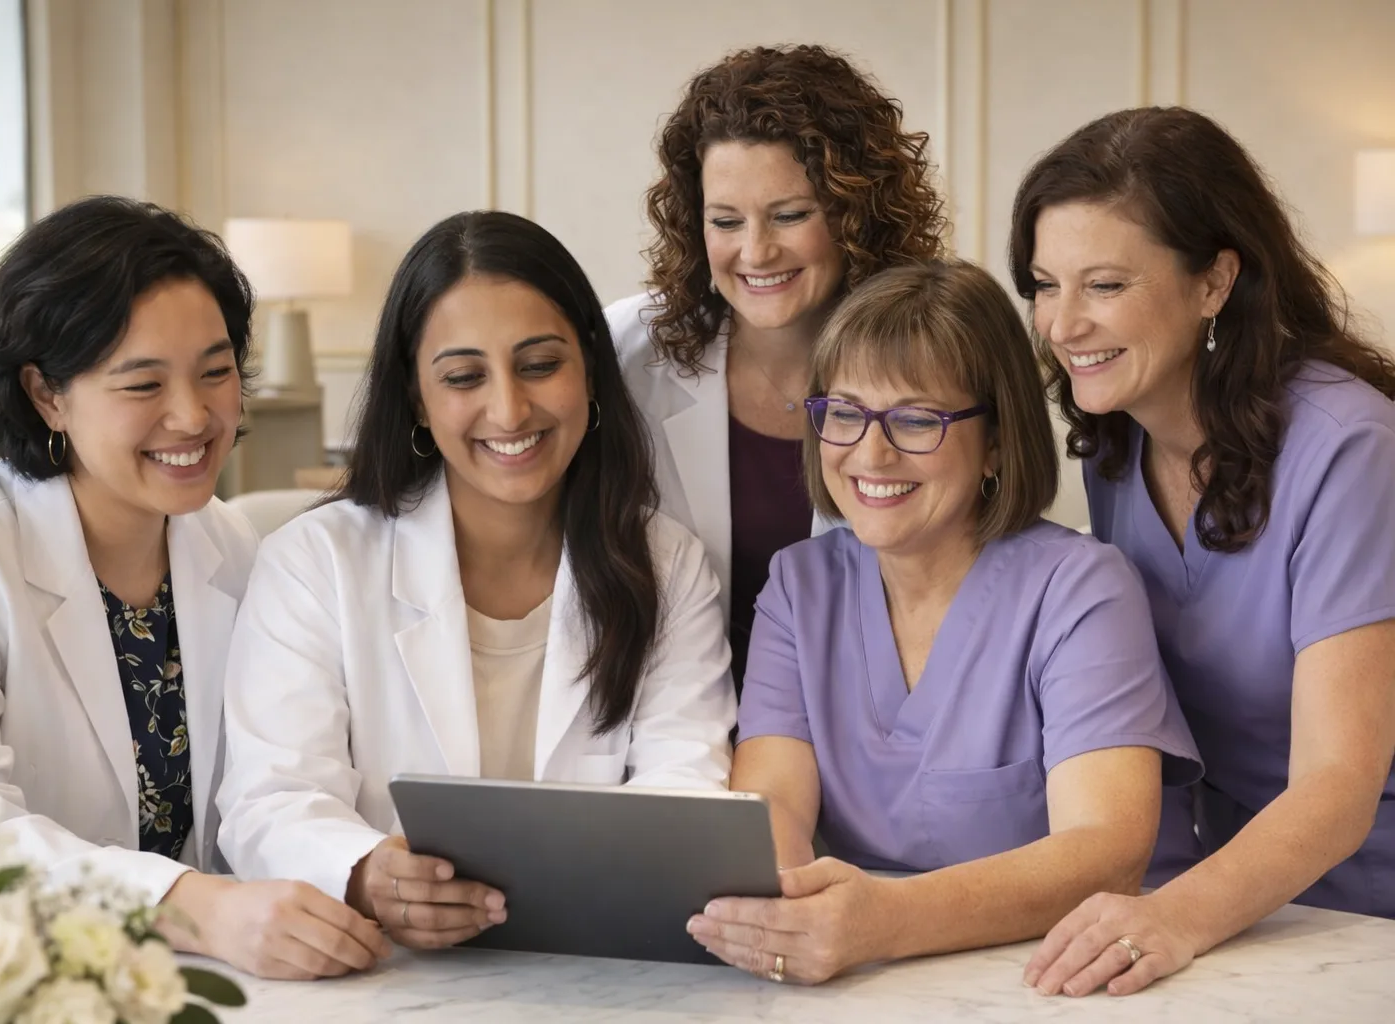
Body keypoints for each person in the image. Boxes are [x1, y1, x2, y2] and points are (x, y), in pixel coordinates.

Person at [0, 196, 391, 981]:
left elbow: (272, 787)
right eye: (143, 385)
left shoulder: (230, 545)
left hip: (196, 986)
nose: (194, 415)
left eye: (216, 372)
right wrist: (191, 905)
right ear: (47, 395)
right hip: (11, 984)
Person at [216, 211, 736, 952]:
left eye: (539, 364)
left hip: (603, 971)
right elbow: (272, 797)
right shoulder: (314, 561)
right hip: (382, 974)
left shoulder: (666, 564)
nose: (509, 409)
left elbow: (685, 788)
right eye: (463, 377)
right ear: (418, 399)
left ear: (590, 369)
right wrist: (366, 873)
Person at [684, 261, 1201, 985]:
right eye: (845, 413)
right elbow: (772, 808)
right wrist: (782, 914)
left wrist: (884, 920)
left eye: (917, 420)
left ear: (996, 441)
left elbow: (1107, 850)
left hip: (1079, 975)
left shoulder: (1080, 589)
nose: (870, 453)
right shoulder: (799, 587)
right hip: (869, 979)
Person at [1012, 106, 1395, 998]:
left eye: (1104, 285)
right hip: (1224, 897)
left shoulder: (1352, 448)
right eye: (1044, 283)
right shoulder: (1119, 445)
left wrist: (1174, 917)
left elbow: (1339, 784)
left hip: (1363, 911)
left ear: (1215, 281)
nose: (1062, 324)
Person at [607, 44, 947, 688]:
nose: (756, 252)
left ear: (856, 214)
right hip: (674, 728)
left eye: (790, 215)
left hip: (871, 724)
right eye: (725, 220)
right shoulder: (626, 350)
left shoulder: (935, 354)